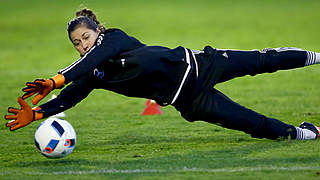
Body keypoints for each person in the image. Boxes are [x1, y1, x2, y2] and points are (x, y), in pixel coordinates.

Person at [4, 8, 320, 140]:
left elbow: (91, 60)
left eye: (85, 38)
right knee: (255, 125)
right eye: (76, 43)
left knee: (263, 61)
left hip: (200, 64)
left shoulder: (113, 38)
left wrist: (57, 78)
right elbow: (71, 96)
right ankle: (308, 133)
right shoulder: (92, 72)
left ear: (98, 30)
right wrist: (38, 114)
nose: (82, 46)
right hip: (190, 100)